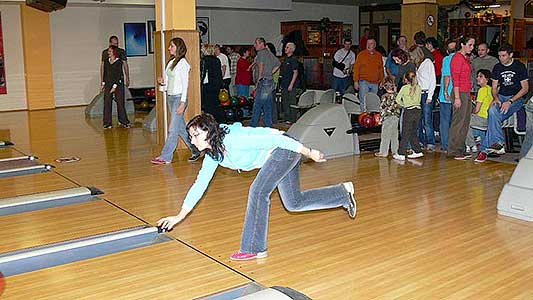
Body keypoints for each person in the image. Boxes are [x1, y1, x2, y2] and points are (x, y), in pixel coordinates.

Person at [157, 113, 357, 261]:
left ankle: (254, 247)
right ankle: (342, 194)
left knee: (258, 191)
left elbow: (277, 139)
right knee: (294, 203)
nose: (192, 140)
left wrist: (310, 152)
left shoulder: (233, 139)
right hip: (279, 154)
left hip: (284, 148)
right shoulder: (213, 153)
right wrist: (178, 216)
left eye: (195, 135)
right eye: (190, 136)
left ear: (208, 133)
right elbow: (200, 185)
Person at [475, 43, 529, 162]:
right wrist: (496, 98)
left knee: (494, 117)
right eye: (499, 56)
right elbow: (494, 87)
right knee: (492, 111)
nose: (501, 58)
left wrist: (510, 101)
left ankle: (485, 149)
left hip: (516, 98)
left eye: (504, 56)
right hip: (501, 96)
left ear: (511, 55)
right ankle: (498, 143)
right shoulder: (497, 67)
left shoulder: (519, 66)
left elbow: (525, 88)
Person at [151, 38, 201, 165]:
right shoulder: (171, 62)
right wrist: (162, 83)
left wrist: (183, 103)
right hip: (171, 97)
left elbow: (185, 84)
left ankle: (166, 156)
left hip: (179, 98)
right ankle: (196, 149)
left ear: (178, 48)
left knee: (172, 129)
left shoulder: (183, 63)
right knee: (180, 128)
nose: (169, 48)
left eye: (171, 46)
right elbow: (167, 82)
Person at [448, 35, 475, 160]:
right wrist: (457, 98)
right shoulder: (457, 58)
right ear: (462, 45)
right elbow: (456, 79)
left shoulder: (465, 58)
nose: (472, 47)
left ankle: (461, 148)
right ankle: (454, 150)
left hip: (466, 92)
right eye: (470, 45)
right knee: (458, 122)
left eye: (473, 45)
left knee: (465, 122)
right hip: (460, 93)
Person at [393, 71, 424, 161]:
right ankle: (417, 150)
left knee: (405, 132)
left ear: (406, 79)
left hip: (409, 111)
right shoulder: (418, 87)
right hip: (418, 110)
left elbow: (398, 100)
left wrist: (404, 105)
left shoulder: (404, 88)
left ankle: (401, 153)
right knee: (413, 131)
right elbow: (419, 99)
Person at [250, 37, 280, 127]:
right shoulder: (269, 53)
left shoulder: (261, 53)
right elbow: (278, 63)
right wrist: (270, 72)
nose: (254, 45)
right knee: (267, 106)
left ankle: (253, 126)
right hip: (270, 81)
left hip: (263, 81)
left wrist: (259, 79)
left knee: (257, 105)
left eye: (256, 43)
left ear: (261, 44)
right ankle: (268, 126)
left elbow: (261, 66)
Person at [411, 46, 436, 151]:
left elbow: (432, 80)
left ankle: (430, 142)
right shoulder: (418, 65)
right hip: (419, 93)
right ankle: (420, 141)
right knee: (418, 119)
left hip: (426, 93)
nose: (411, 57)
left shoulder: (428, 63)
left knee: (427, 119)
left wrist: (430, 96)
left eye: (412, 55)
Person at [101, 45, 130, 129]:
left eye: (110, 51)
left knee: (120, 102)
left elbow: (119, 75)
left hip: (118, 84)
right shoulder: (106, 61)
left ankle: (123, 121)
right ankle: (107, 123)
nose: (108, 52)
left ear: (114, 52)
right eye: (108, 51)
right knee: (107, 102)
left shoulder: (119, 62)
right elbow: (105, 73)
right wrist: (103, 84)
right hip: (108, 83)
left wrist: (114, 87)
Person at [465, 69, 493, 154]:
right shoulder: (491, 89)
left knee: (464, 120)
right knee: (468, 120)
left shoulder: (482, 90)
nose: (477, 78)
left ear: (487, 79)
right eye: (477, 76)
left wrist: (471, 113)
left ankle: (471, 144)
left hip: (482, 119)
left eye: (481, 76)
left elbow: (477, 110)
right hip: (489, 119)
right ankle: (474, 142)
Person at [353, 38, 383, 111]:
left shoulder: (379, 55)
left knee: (373, 101)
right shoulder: (361, 55)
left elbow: (381, 69)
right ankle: (363, 118)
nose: (369, 45)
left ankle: (371, 118)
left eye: (371, 43)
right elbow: (356, 68)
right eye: (368, 43)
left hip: (375, 82)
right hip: (363, 81)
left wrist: (382, 80)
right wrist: (356, 81)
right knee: (363, 100)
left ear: (375, 45)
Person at [438, 39, 457, 152]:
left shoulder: (447, 59)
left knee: (445, 121)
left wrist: (445, 91)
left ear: (446, 50)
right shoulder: (462, 59)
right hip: (458, 93)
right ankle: (455, 143)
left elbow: (446, 76)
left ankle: (446, 145)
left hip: (447, 94)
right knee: (456, 121)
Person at [375, 76, 401, 158]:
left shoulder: (384, 97)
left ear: (384, 87)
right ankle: (395, 151)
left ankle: (383, 151)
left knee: (385, 135)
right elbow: (400, 105)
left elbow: (382, 109)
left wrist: (380, 120)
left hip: (387, 118)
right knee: (394, 135)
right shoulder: (397, 96)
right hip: (396, 117)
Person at [200, 44, 226, 123]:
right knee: (215, 104)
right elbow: (219, 74)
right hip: (216, 86)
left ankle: (210, 122)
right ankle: (220, 120)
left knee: (208, 106)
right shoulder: (217, 60)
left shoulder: (205, 60)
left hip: (208, 86)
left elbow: (203, 74)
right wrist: (221, 85)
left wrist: (200, 84)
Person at [280, 42, 299, 124]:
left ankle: (292, 119)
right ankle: (286, 118)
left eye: (287, 47)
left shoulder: (293, 59)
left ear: (291, 49)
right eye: (285, 47)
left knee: (291, 102)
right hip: (284, 84)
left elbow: (295, 72)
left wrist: (291, 84)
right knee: (285, 102)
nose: (285, 48)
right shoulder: (285, 59)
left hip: (291, 85)